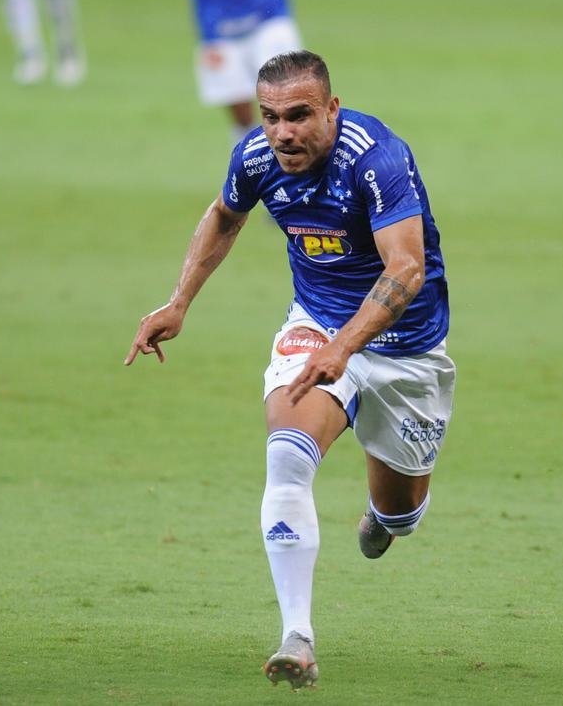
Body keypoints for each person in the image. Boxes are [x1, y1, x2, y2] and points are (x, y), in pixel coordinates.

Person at [125, 50, 455, 689]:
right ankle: (296, 638)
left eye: (300, 115)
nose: (283, 132)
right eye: (272, 116)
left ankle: (385, 518)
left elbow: (407, 269)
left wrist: (348, 347)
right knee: (287, 456)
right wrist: (180, 301)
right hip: (317, 326)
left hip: (405, 348)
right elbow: (226, 213)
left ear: (331, 109)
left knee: (402, 508)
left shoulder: (375, 158)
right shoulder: (256, 156)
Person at [151, 0, 303, 142]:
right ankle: (252, 168)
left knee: (288, 99)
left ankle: (304, 168)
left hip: (268, 14)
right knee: (240, 111)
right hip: (217, 22)